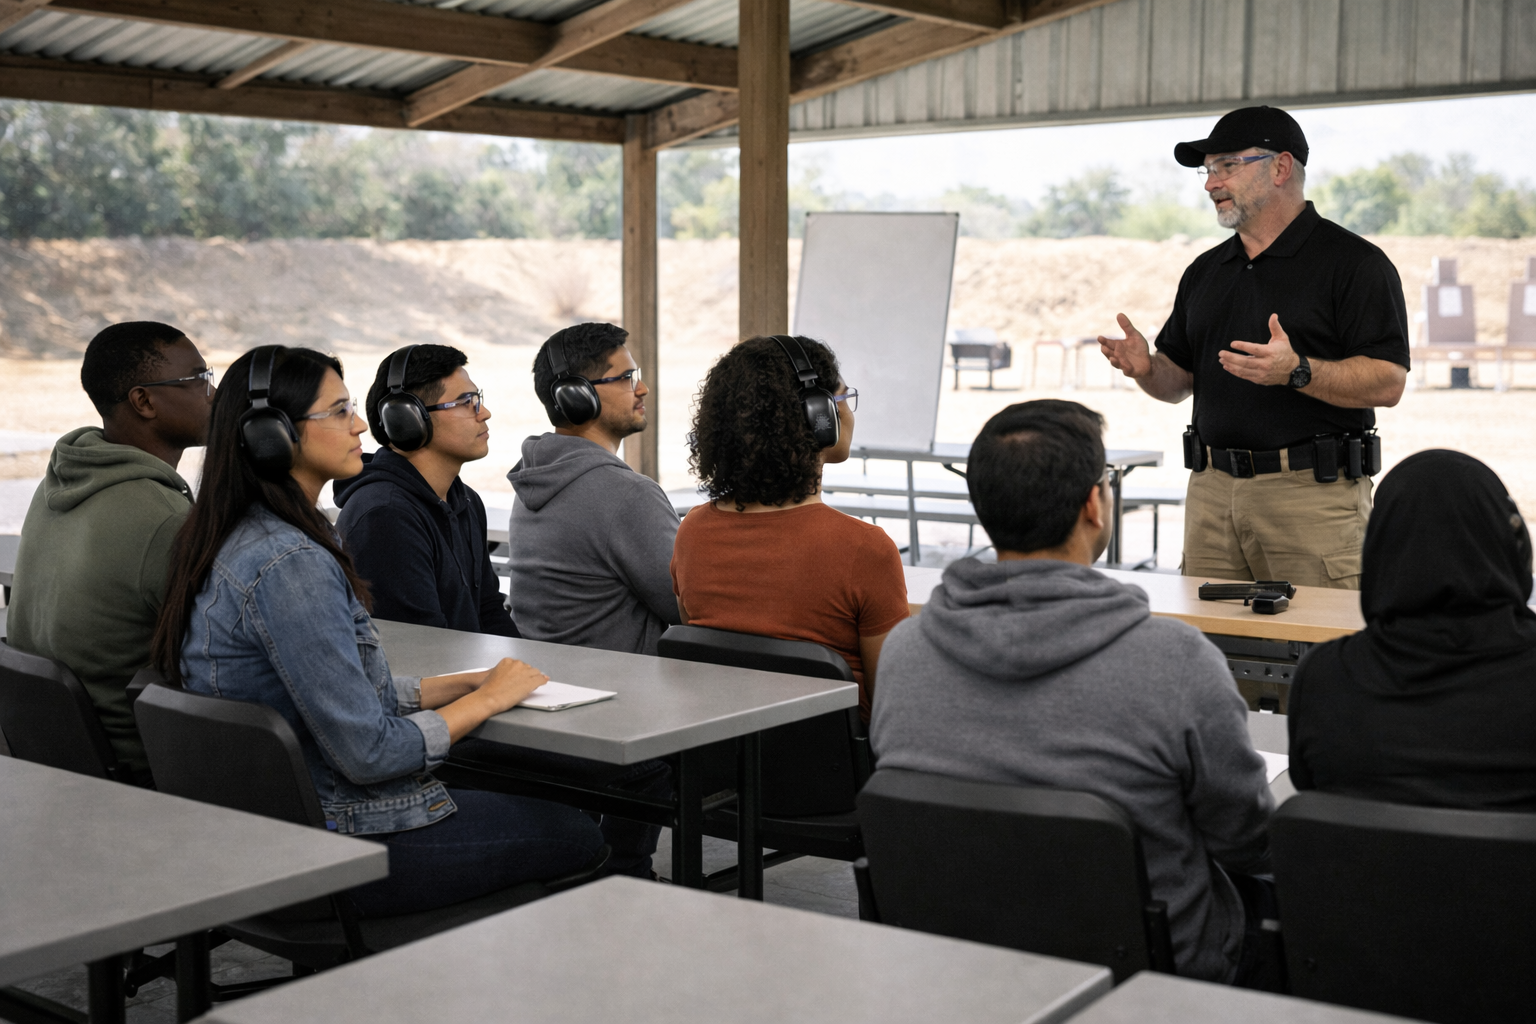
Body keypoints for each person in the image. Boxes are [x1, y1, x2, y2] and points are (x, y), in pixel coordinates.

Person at [152, 345, 603, 915]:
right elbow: (369, 752)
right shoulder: (289, 562)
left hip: (273, 829)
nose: (361, 424)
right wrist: (489, 699)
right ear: (271, 435)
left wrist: (453, 686)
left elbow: (328, 691)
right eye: (339, 412)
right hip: (339, 840)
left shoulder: (236, 534)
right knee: (578, 830)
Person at [871, 400, 1276, 986]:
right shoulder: (1175, 661)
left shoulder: (907, 653)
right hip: (1153, 977)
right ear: (1094, 503)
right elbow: (1246, 839)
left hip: (965, 963)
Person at [1098, 105, 1410, 590]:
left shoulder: (1354, 264)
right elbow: (1178, 382)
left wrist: (1297, 371)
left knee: (1317, 656)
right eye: (1208, 170)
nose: (1210, 183)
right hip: (1211, 494)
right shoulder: (1205, 271)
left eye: (1227, 166)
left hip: (1312, 498)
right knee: (1213, 654)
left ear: (1281, 168)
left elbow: (1388, 383)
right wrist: (1147, 368)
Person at [7, 321, 214, 784]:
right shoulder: (162, 518)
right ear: (144, 401)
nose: (212, 393)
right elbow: (234, 649)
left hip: (62, 755)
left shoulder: (60, 481)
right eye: (198, 379)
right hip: (145, 765)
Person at [670, 335, 908, 722]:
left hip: (722, 760)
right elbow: (894, 704)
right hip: (841, 773)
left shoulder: (693, 532)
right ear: (820, 416)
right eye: (843, 399)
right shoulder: (864, 548)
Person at [1288, 450, 1536, 809]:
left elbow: (1311, 795)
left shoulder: (1324, 678)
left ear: (1380, 547)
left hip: (1365, 866)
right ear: (1510, 544)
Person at [508, 322, 680, 656]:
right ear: (577, 396)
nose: (642, 388)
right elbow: (689, 606)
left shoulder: (533, 477)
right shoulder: (629, 495)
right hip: (621, 691)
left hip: (551, 682)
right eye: (627, 378)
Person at [335, 344, 516, 636]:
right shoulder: (385, 516)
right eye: (466, 401)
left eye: (477, 399)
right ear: (407, 420)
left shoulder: (466, 500)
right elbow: (423, 651)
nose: (485, 414)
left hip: (472, 675)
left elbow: (489, 609)